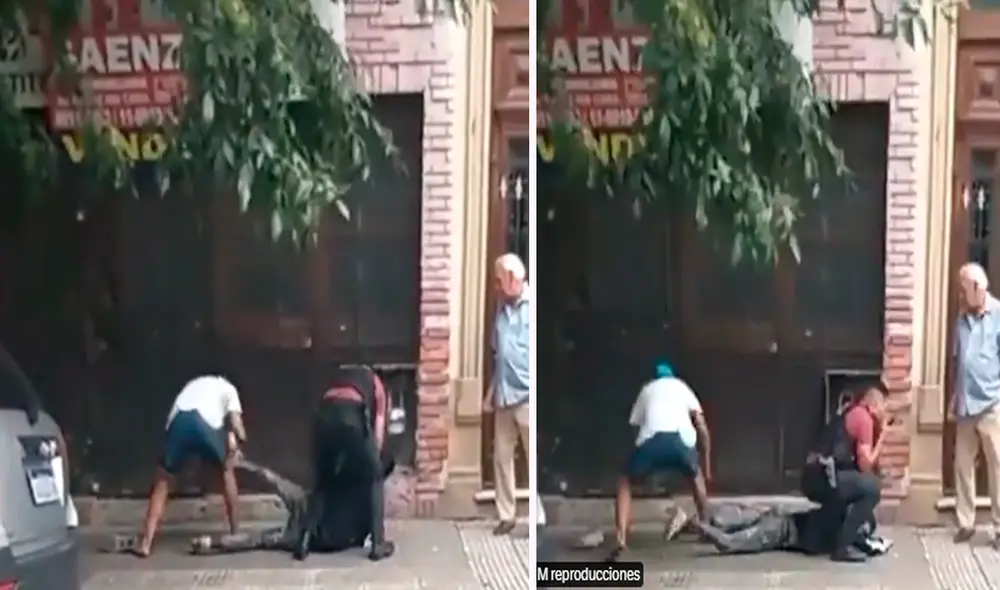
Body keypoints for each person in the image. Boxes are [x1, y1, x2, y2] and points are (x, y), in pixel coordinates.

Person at [608, 361, 712, 561]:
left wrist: (642, 465)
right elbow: (702, 427)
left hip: (651, 441)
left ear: (654, 378)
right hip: (681, 442)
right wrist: (705, 466)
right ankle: (708, 527)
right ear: (672, 376)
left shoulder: (646, 390)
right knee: (695, 475)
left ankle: (621, 539)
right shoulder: (683, 388)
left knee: (625, 481)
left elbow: (635, 427)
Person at [135, 374, 246, 557]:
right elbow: (237, 426)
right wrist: (239, 445)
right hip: (203, 424)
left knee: (163, 480)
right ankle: (236, 533)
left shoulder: (195, 385)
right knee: (226, 471)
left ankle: (146, 542)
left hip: (178, 422)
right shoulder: (230, 390)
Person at [293, 364, 396, 561]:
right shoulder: (377, 384)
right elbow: (378, 434)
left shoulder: (339, 375)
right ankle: (378, 544)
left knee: (323, 480)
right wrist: (375, 460)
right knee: (375, 477)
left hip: (323, 417)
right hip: (351, 416)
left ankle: (304, 539)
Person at [800, 380, 890, 563]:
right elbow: (866, 466)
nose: (884, 413)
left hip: (816, 475)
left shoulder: (851, 411)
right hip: (823, 477)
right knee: (872, 489)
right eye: (884, 407)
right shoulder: (864, 418)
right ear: (875, 404)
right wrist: (883, 437)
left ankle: (814, 537)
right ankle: (843, 547)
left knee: (866, 511)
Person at [952, 262, 1000, 547]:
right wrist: (954, 395)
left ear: (978, 289)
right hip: (965, 404)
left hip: (992, 402)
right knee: (963, 465)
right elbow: (959, 360)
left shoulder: (998, 316)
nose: (960, 295)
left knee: (998, 465)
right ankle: (965, 523)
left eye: (963, 289)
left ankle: (999, 527)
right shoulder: (961, 318)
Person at [485, 253, 531, 536]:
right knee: (502, 457)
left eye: (499, 282)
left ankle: (535, 519)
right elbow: (498, 355)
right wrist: (491, 393)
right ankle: (507, 515)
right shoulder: (501, 310)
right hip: (503, 395)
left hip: (528, 396)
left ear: (514, 280)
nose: (496, 288)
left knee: (531, 456)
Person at [689, 503, 892, 557]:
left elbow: (869, 544)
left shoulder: (839, 515)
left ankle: (696, 526)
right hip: (781, 529)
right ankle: (692, 524)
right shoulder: (842, 532)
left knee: (732, 524)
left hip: (783, 516)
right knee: (731, 543)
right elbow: (868, 546)